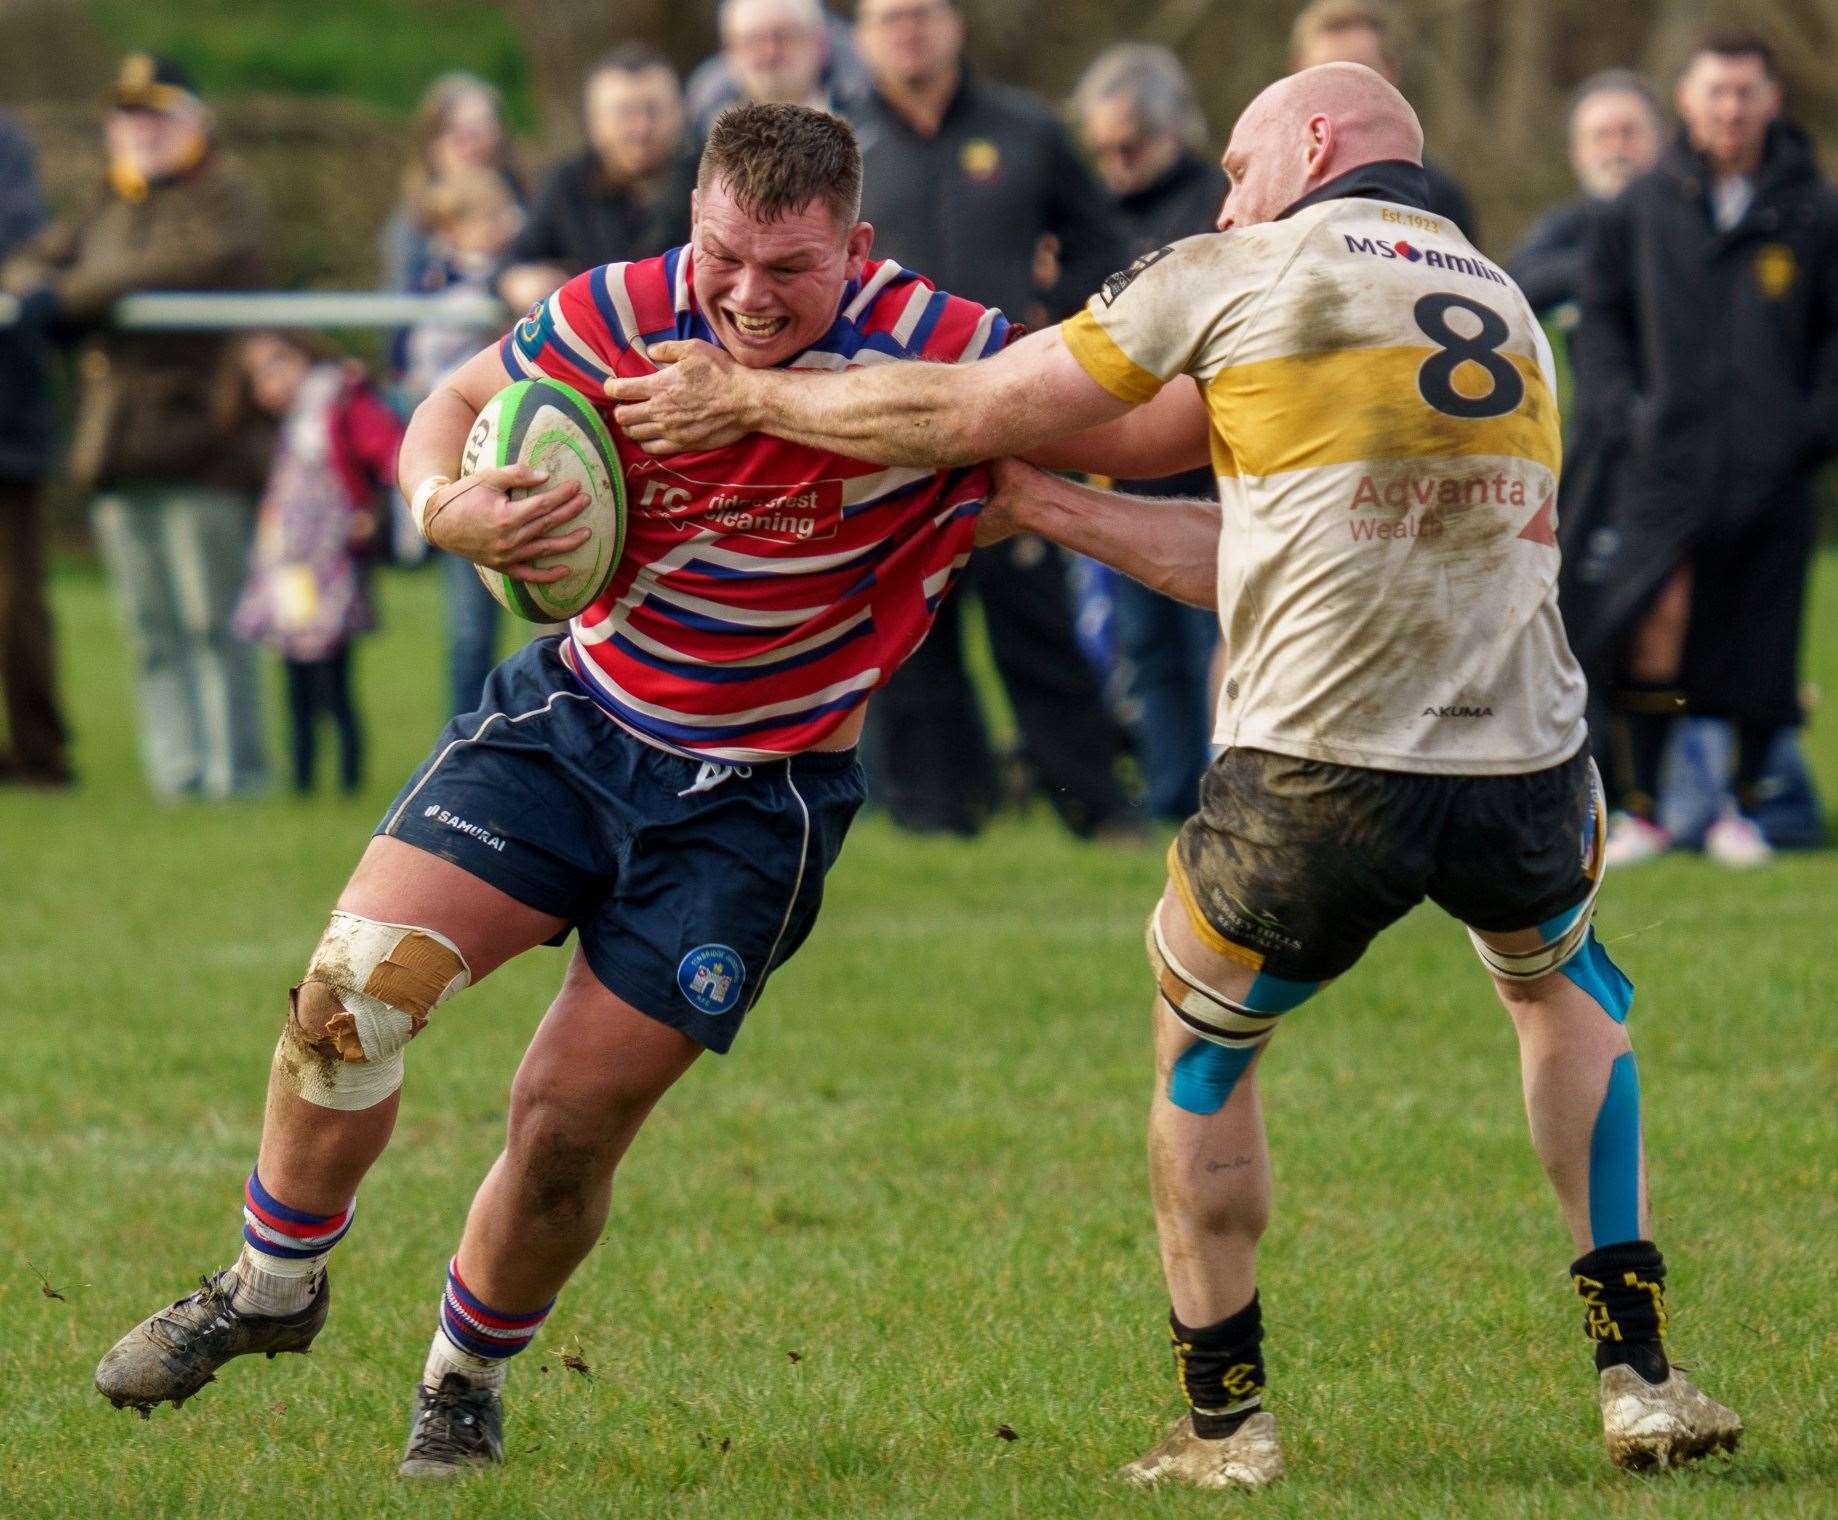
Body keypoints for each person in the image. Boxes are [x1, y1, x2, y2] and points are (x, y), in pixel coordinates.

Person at [608, 62, 1743, 1488]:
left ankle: (1225, 1427)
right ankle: (1639, 1376)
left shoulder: (1240, 265)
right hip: (1525, 756)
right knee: (1561, 993)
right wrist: (1032, 501)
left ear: (1314, 143)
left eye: (1238, 160)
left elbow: (967, 411)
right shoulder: (1498, 302)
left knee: (1199, 1047)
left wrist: (749, 401)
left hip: (1313, 777)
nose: (1221, 193)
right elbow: (1253, 547)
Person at [94, 104, 1023, 1479]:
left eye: (791, 272)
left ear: (857, 251)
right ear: (689, 227)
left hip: (753, 801)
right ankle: (268, 1288)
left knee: (563, 1133)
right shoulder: (617, 311)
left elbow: (1112, 412)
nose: (748, 299)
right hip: (573, 726)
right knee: (350, 993)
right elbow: (455, 404)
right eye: (724, 258)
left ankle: (462, 1380)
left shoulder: (948, 347)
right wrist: (437, 505)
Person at [843, 0, 1137, 839]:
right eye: (888, 17)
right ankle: (935, 814)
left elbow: (1103, 247)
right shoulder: (839, 140)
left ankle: (1096, 807)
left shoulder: (1028, 129)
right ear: (860, 35)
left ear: (954, 23)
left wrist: (1058, 321)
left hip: (1016, 411)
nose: (908, 30)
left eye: (922, 13)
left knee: (1036, 619)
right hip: (886, 420)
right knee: (906, 628)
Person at [1570, 30, 1838, 869]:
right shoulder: (1640, 209)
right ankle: (1644, 805)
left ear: (1771, 100)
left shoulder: (1812, 211)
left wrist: (1809, 427)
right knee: (1654, 622)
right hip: (1664, 464)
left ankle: (1745, 807)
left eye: (1745, 92)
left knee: (1759, 638)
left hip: (1774, 468)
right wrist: (1627, 412)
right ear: (1685, 101)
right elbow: (1601, 323)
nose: (1730, 108)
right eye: (1715, 92)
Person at [4, 55, 269, 800]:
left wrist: (69, 298)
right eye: (127, 114)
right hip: (118, 442)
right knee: (152, 629)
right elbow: (35, 261)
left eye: (156, 112)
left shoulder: (223, 192)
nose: (139, 130)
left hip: (202, 435)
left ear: (194, 120)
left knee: (212, 622)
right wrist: (37, 290)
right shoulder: (108, 199)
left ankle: (235, 777)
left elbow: (183, 262)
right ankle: (177, 777)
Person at [1071, 44, 1222, 821]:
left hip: (1214, 470)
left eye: (1131, 146)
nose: (1117, 164)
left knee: (1213, 657)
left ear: (1174, 131)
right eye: (1102, 150)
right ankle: (1169, 801)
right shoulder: (1093, 214)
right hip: (1125, 472)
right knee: (1148, 654)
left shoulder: (1219, 205)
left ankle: (1220, 794)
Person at [232, 332, 403, 795]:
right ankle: (303, 779)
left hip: (331, 564)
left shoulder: (339, 402)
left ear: (303, 353)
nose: (269, 382)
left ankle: (348, 778)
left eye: (276, 363)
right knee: (296, 678)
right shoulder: (286, 426)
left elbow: (392, 452)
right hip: (290, 569)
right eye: (257, 376)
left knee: (333, 679)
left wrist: (372, 514)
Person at [402, 167, 527, 718]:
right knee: (470, 624)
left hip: (527, 454)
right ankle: (468, 725)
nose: (507, 226)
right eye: (491, 218)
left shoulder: (517, 275)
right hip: (467, 465)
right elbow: (429, 377)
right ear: (455, 230)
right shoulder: (440, 288)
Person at [495, 45, 693, 316]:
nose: (641, 128)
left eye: (654, 110)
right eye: (624, 113)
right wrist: (520, 282)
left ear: (681, 112)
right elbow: (516, 264)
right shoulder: (566, 186)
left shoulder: (713, 179)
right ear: (594, 120)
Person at [0, 109, 70, 789]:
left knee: (15, 600)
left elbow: (24, 250)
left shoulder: (7, 147)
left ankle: (38, 749)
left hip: (7, 418)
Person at [1289, 0, 1480, 242]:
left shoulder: (1436, 198)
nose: (1340, 86)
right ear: (1297, 74)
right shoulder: (1245, 190)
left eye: (1358, 70)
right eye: (1325, 72)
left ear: (1391, 73)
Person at [1509, 71, 1664, 318]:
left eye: (1629, 133)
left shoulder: (1688, 214)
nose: (1616, 149)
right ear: (1576, 153)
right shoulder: (1563, 225)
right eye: (1601, 136)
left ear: (1660, 141)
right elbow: (1519, 283)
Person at [378, 74, 522, 300]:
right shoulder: (415, 224)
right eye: (459, 133)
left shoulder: (534, 206)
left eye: (485, 129)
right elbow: (402, 313)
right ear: (432, 144)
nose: (474, 145)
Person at [684, 0, 868, 137]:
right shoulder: (705, 142)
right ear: (730, 53)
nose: (769, 52)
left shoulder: (866, 129)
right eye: (753, 41)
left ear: (820, 44)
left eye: (784, 37)